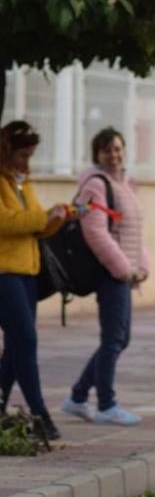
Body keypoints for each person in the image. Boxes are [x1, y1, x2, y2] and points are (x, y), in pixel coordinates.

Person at [61, 127, 150, 426]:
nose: (114, 155)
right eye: (107, 150)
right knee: (114, 339)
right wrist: (125, 268)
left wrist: (143, 265)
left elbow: (134, 231)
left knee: (119, 339)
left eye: (118, 148)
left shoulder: (126, 184)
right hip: (109, 273)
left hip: (124, 273)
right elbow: (95, 231)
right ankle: (106, 405)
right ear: (96, 154)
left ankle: (77, 396)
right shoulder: (96, 185)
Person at [0, 121, 67, 439]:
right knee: (25, 340)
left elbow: (37, 226)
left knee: (16, 348)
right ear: (6, 150)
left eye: (30, 156)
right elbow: (5, 220)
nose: (27, 163)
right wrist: (43, 217)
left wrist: (59, 217)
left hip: (27, 272)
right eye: (22, 155)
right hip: (4, 273)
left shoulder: (23, 184)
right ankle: (40, 414)